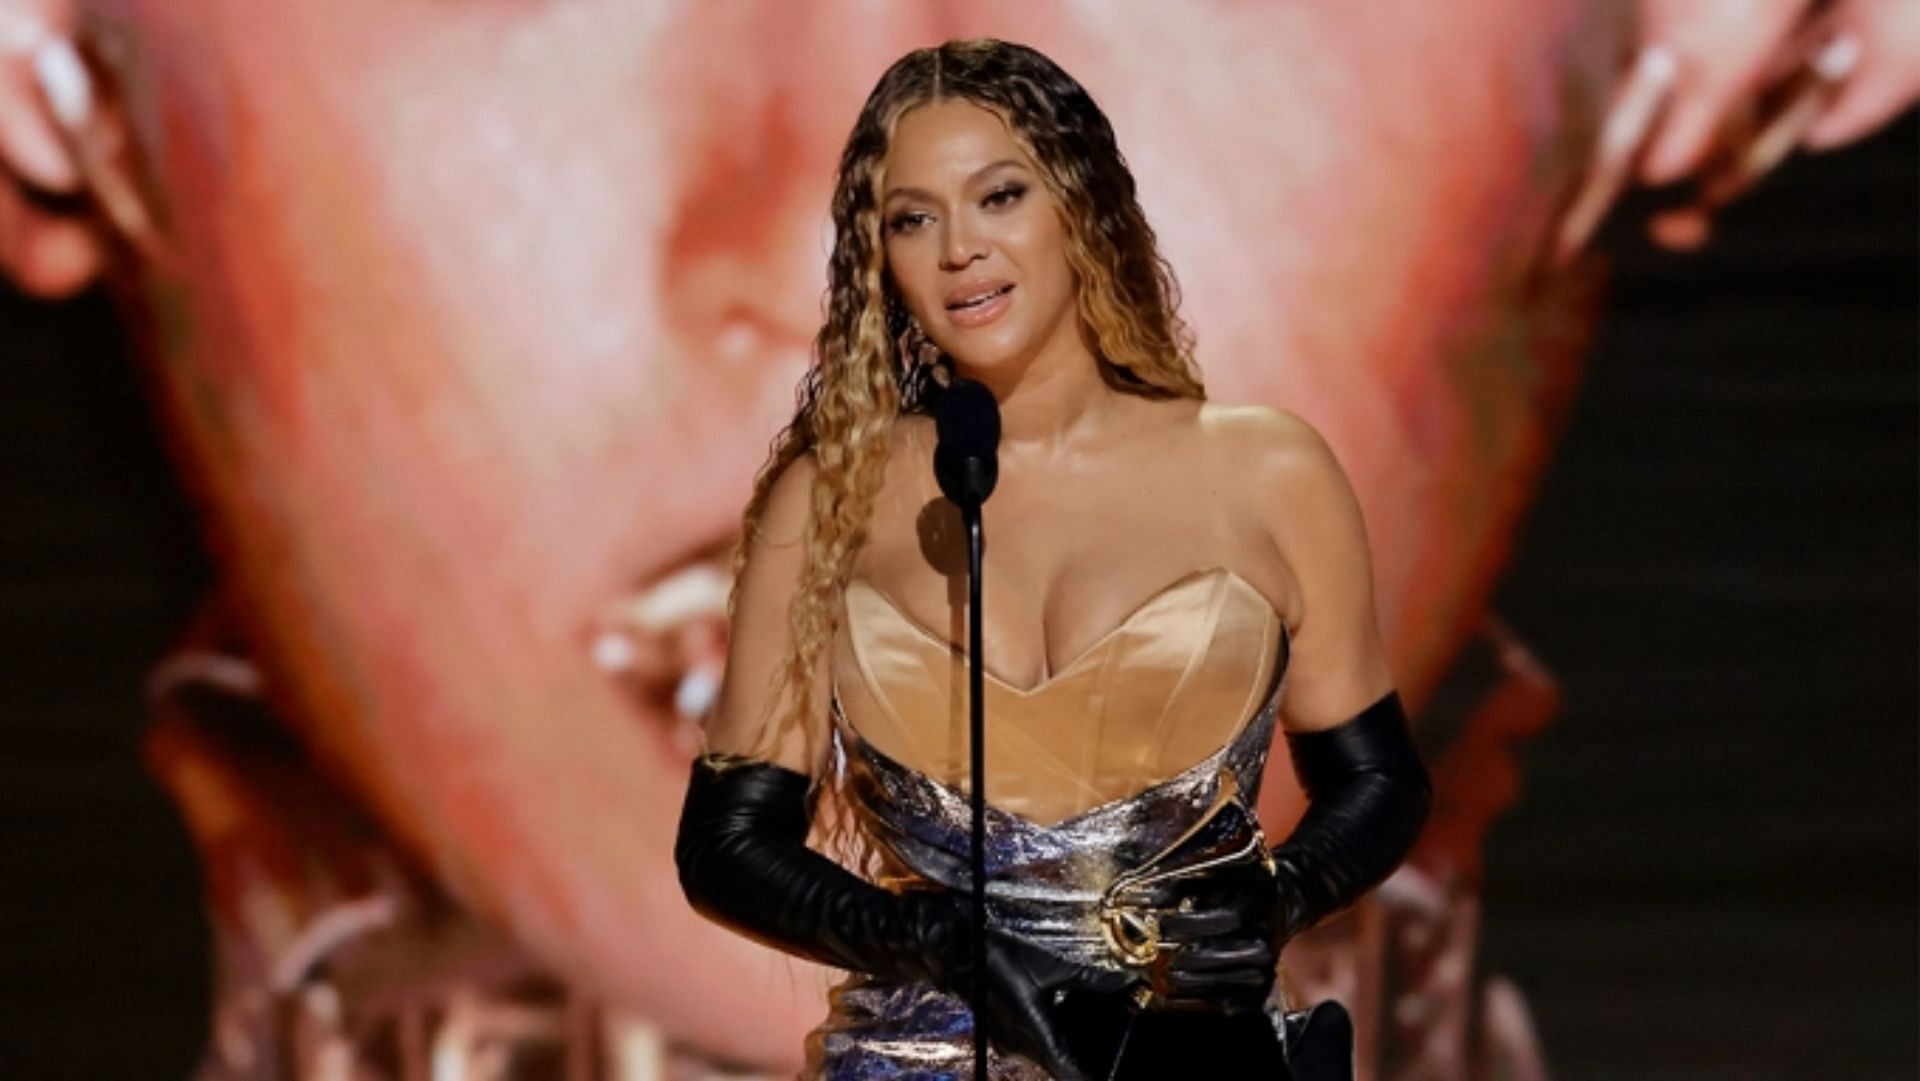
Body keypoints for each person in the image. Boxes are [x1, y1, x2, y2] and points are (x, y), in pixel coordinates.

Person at [671, 40, 1433, 1080]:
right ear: (877, 257)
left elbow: (1377, 780)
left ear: (1079, 203)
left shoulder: (1267, 472)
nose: (958, 252)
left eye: (999, 196)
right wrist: (937, 944)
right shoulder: (829, 500)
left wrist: (1282, 891)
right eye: (912, 218)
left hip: (1189, 1054)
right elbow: (727, 846)